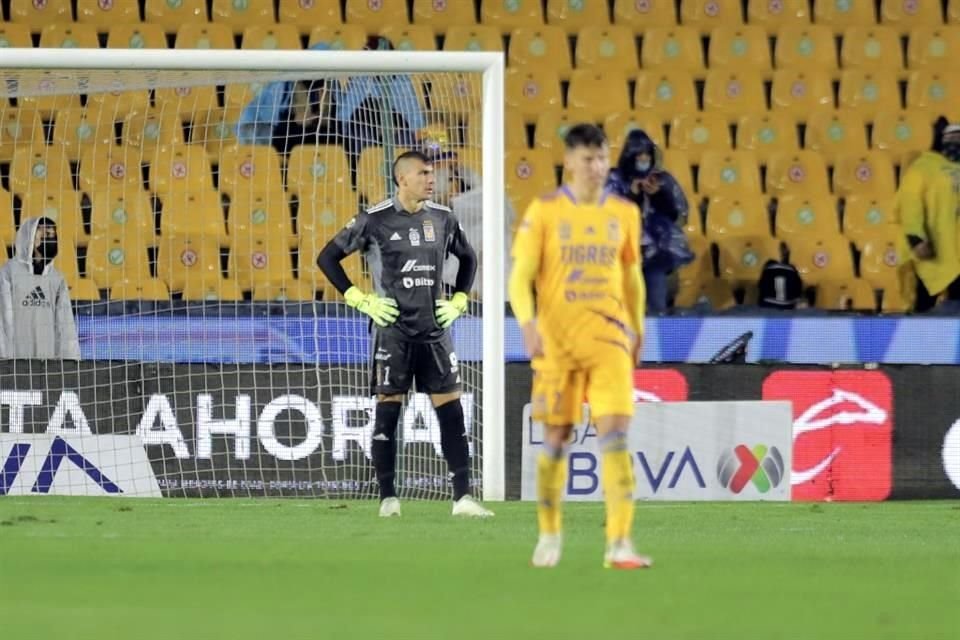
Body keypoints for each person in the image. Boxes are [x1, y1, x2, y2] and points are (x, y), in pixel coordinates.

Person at [317, 150, 493, 518]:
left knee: (452, 413)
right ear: (403, 179)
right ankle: (388, 499)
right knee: (388, 413)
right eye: (424, 173)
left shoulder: (443, 218)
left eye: (432, 173)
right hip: (392, 332)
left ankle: (463, 498)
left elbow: (469, 257)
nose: (432, 179)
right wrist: (359, 299)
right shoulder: (375, 219)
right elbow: (327, 258)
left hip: (434, 332)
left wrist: (459, 299)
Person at [508, 124, 651, 569]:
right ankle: (549, 535)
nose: (597, 167)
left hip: (609, 341)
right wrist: (527, 324)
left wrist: (639, 327)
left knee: (615, 436)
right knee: (555, 439)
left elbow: (631, 276)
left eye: (602, 158)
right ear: (568, 161)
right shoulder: (545, 211)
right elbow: (520, 275)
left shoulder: (624, 213)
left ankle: (619, 544)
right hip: (557, 345)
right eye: (588, 158)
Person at [606, 129, 692, 313]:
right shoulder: (614, 180)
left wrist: (658, 195)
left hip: (654, 255)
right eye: (639, 157)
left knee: (657, 307)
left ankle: (656, 336)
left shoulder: (662, 181)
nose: (643, 161)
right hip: (621, 256)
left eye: (647, 157)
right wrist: (633, 196)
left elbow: (677, 216)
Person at [896, 117, 960, 312]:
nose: (956, 142)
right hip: (931, 248)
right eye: (952, 137)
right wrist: (916, 239)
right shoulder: (924, 167)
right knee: (923, 306)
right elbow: (909, 204)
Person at [0, 216, 80, 360]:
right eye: (44, 234)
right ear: (29, 236)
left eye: (52, 235)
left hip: (47, 363)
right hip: (15, 361)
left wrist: (70, 360)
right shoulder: (8, 272)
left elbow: (65, 324)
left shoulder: (57, 278)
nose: (49, 239)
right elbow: (3, 320)